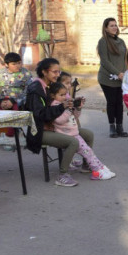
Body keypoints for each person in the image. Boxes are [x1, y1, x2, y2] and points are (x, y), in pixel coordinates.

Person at [23, 58, 95, 187]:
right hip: (40, 130)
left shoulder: (50, 85)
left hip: (56, 126)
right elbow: (40, 114)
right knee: (73, 141)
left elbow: (63, 109)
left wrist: (75, 105)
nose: (58, 74)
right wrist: (62, 107)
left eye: (59, 71)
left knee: (88, 135)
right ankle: (63, 175)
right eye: (54, 72)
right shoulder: (36, 89)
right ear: (45, 72)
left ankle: (86, 164)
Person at [48, 82, 114, 180]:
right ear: (53, 95)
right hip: (67, 135)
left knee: (89, 152)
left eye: (64, 94)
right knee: (87, 152)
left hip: (74, 133)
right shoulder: (55, 106)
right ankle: (97, 172)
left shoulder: (64, 104)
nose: (63, 97)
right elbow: (59, 120)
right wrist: (68, 110)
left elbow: (75, 116)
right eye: (61, 95)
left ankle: (101, 167)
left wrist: (77, 108)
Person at [97, 18, 128, 138]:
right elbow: (105, 61)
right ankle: (112, 127)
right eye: (111, 26)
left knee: (119, 103)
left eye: (115, 25)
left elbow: (124, 59)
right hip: (107, 78)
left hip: (121, 78)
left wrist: (125, 72)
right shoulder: (103, 41)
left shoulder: (121, 41)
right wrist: (118, 73)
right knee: (112, 102)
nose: (114, 27)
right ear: (105, 28)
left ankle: (120, 126)